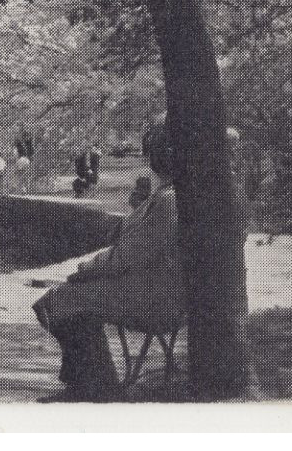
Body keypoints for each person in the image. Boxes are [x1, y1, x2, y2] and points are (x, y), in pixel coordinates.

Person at [33, 121, 184, 401]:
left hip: (156, 297)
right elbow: (140, 246)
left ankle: (94, 386)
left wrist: (85, 269)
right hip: (166, 290)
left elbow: (130, 254)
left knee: (58, 300)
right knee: (65, 297)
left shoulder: (170, 201)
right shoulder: (175, 196)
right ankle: (86, 381)